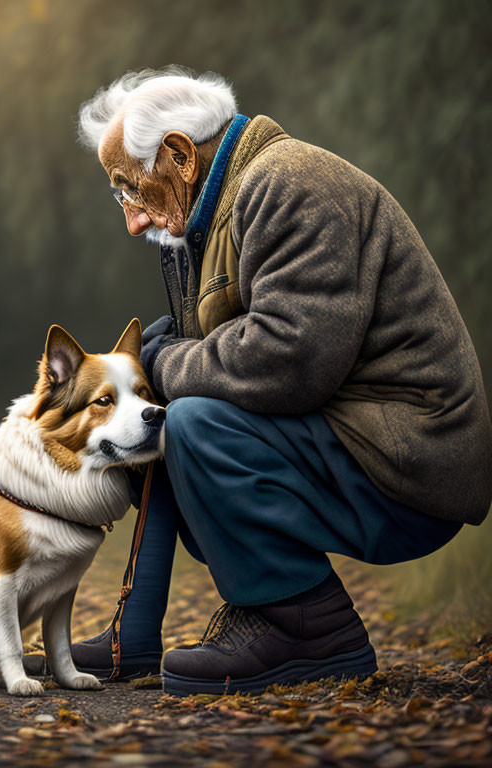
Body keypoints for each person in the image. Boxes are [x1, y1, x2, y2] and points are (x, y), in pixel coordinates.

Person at [39, 67, 492, 695]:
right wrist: (158, 371)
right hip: (360, 440)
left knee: (189, 419)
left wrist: (163, 364)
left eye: (128, 190)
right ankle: (132, 636)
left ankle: (311, 628)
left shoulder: (290, 182)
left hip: (411, 460)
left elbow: (289, 360)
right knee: (151, 415)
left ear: (178, 156)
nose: (133, 222)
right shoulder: (221, 207)